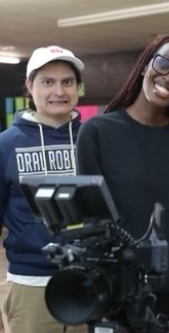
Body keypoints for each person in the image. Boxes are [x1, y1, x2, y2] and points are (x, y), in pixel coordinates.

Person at [75, 34, 169, 331]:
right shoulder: (98, 132)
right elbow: (92, 224)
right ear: (145, 66)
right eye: (164, 64)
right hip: (127, 294)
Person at [0, 45, 86, 332]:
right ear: (29, 86)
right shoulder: (6, 145)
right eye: (47, 82)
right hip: (30, 285)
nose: (59, 91)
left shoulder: (95, 140)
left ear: (77, 88)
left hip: (91, 282)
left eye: (68, 82)